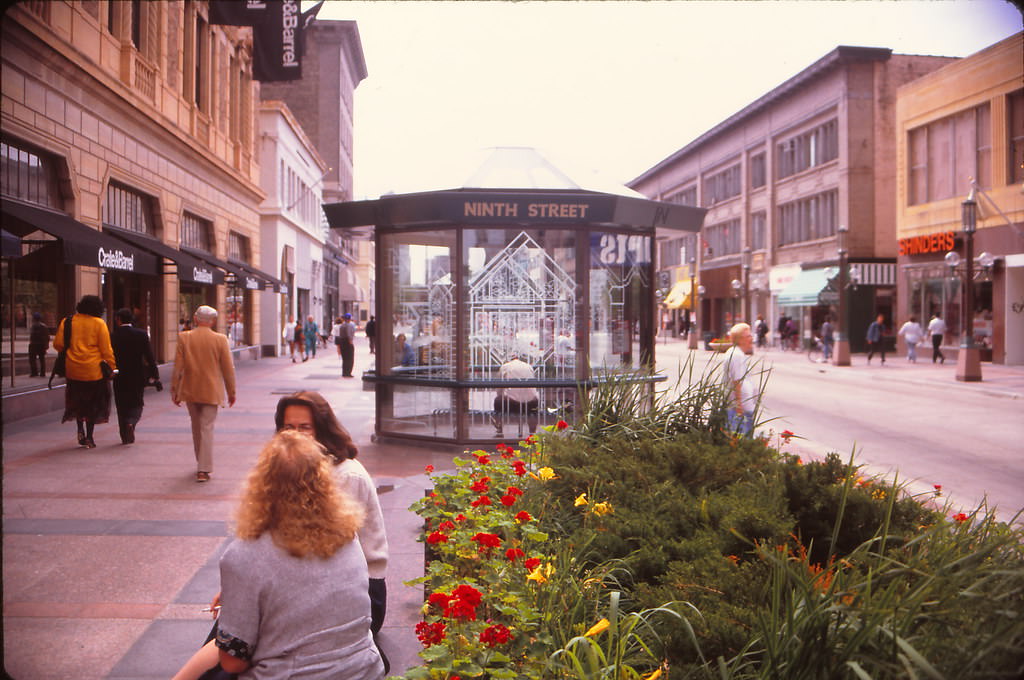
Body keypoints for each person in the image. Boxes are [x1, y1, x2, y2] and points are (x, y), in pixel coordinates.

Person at [216, 431, 384, 678]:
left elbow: (232, 662)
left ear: (261, 486)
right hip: (363, 670)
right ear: (325, 482)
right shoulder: (348, 536)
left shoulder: (243, 555)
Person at [275, 391, 390, 672]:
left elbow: (327, 555)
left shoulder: (345, 475)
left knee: (253, 636)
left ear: (322, 430)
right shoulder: (293, 467)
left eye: (305, 428)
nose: (296, 436)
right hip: (312, 581)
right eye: (289, 428)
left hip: (355, 592)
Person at [171, 305, 236, 483]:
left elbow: (178, 367)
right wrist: (231, 391)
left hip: (190, 389)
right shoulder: (220, 339)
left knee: (196, 427)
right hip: (211, 390)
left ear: (195, 318)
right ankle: (203, 469)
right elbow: (228, 368)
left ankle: (201, 463)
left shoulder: (184, 337)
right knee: (207, 427)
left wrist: (174, 389)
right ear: (213, 321)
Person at [53, 295, 116, 449]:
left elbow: (58, 344)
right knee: (93, 404)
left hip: (73, 370)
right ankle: (89, 437)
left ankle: (79, 429)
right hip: (93, 371)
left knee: (77, 402)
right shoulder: (99, 323)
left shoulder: (67, 321)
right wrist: (112, 367)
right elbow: (106, 349)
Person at [110, 308, 160, 445]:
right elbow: (149, 356)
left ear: (118, 319)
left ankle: (124, 436)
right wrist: (155, 374)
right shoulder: (141, 334)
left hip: (119, 375)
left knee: (121, 405)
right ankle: (131, 422)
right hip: (137, 375)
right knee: (137, 402)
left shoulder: (113, 336)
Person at [721, 322, 759, 436]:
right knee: (740, 438)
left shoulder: (737, 353)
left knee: (738, 437)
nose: (751, 339)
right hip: (741, 407)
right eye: (748, 336)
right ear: (740, 339)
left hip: (741, 405)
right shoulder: (737, 355)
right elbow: (736, 381)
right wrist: (739, 406)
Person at [493, 354, 539, 437]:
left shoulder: (505, 367)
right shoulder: (528, 366)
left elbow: (499, 386)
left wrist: (500, 394)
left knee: (497, 402)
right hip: (529, 401)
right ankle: (532, 432)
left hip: (511, 402)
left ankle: (499, 430)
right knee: (533, 410)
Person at [28, 312, 49, 377]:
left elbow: (31, 336)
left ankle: (34, 372)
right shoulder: (44, 326)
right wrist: (46, 345)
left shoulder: (33, 326)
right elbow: (47, 337)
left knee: (32, 359)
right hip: (41, 345)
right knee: (42, 359)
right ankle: (42, 373)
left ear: (34, 318)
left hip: (33, 344)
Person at [338, 312, 357, 377]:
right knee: (350, 358)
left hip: (342, 342)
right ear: (350, 318)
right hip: (347, 343)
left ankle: (344, 372)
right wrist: (350, 342)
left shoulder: (342, 325)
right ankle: (348, 372)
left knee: (344, 359)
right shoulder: (349, 325)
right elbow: (349, 334)